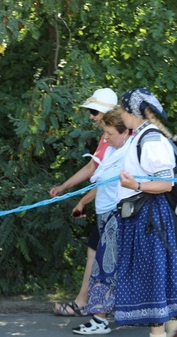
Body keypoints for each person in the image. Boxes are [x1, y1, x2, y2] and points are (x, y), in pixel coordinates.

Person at [115, 87, 177, 337]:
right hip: (143, 219)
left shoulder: (151, 139)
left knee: (153, 281)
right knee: (150, 281)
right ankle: (159, 333)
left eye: (123, 108)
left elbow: (166, 183)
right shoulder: (141, 135)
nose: (121, 113)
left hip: (150, 220)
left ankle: (159, 334)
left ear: (132, 112)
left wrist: (136, 185)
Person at [51, 88, 118, 317]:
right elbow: (93, 168)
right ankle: (86, 303)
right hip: (108, 207)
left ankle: (90, 306)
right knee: (95, 250)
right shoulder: (107, 136)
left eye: (94, 111)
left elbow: (106, 178)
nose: (91, 116)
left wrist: (82, 201)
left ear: (106, 111)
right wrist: (64, 187)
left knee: (106, 256)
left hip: (117, 208)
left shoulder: (117, 136)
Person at [71, 109, 132, 334]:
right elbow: (100, 179)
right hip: (107, 213)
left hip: (118, 214)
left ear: (124, 132)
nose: (104, 138)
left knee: (105, 268)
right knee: (109, 266)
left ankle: (100, 319)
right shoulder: (115, 148)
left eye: (108, 133)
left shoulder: (130, 151)